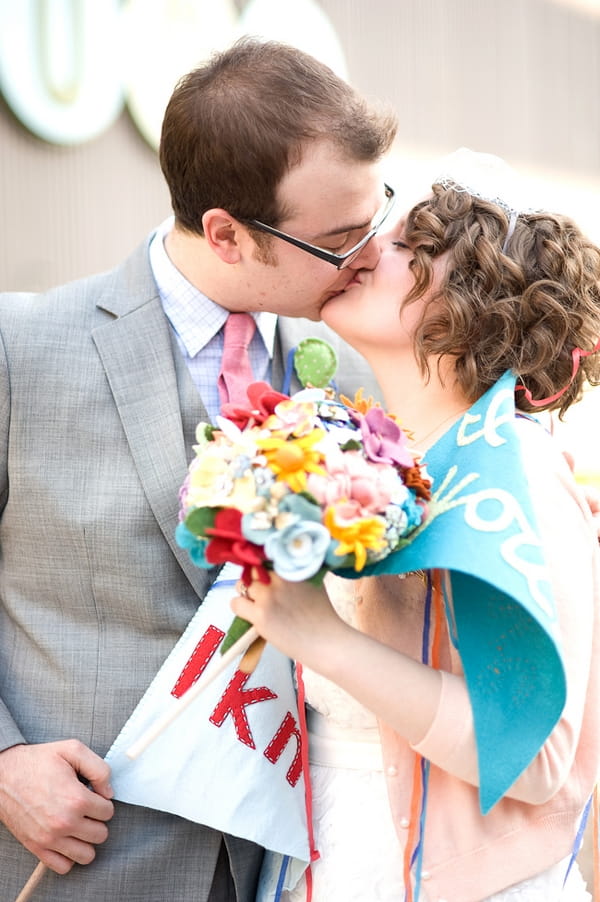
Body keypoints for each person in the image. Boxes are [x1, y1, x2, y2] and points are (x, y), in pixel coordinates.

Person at [0, 38, 397, 901]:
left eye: (376, 216)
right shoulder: (17, 349)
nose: (369, 256)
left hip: (289, 861)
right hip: (72, 858)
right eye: (337, 240)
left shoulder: (360, 367)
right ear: (225, 232)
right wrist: (2, 763)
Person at [232, 149, 600, 901]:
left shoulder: (518, 470)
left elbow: (533, 759)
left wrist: (322, 639)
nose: (367, 249)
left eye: (409, 245)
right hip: (322, 857)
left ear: (474, 301)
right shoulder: (358, 453)